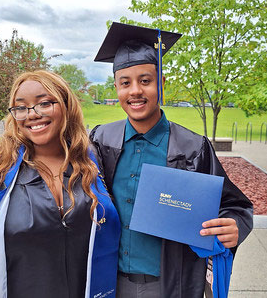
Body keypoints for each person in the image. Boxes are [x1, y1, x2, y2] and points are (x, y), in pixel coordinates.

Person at [90, 22, 253, 298]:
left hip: (168, 285)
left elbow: (234, 205)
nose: (135, 91)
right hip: (108, 281)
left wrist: (235, 224)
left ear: (161, 84)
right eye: (125, 83)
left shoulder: (192, 147)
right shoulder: (100, 140)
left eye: (145, 81)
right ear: (116, 87)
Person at [0, 70, 120, 298]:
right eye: (21, 107)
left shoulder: (90, 163)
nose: (32, 114)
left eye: (44, 103)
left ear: (66, 105)